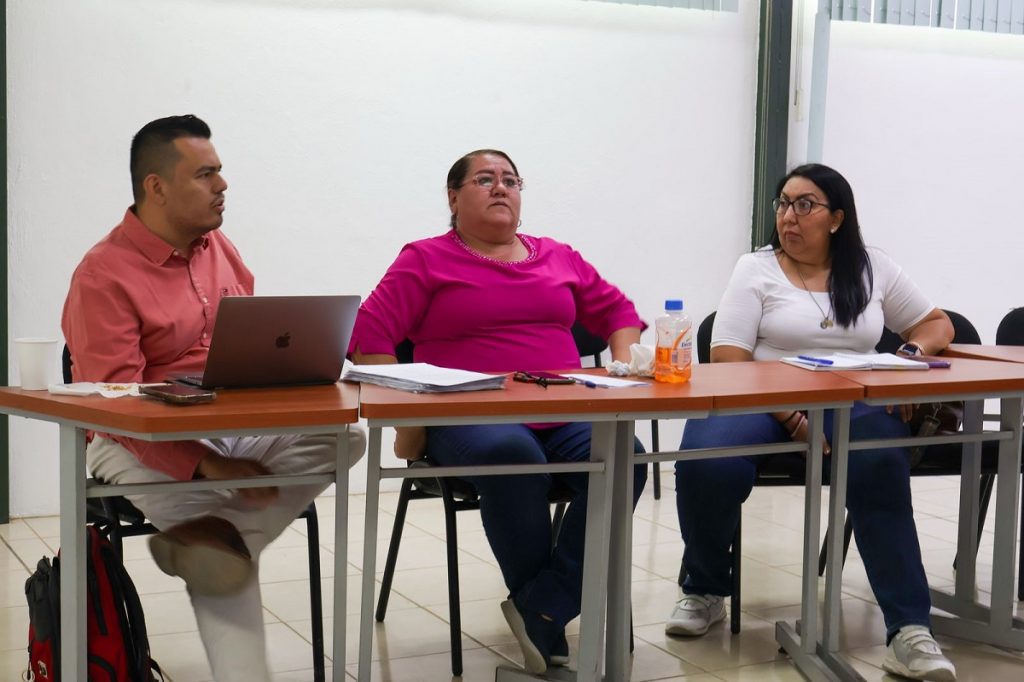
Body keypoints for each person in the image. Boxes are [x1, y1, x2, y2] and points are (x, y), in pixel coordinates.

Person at [61, 115, 365, 682]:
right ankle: (216, 546)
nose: (222, 185)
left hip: (224, 418)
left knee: (344, 433)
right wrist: (204, 461)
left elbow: (246, 343)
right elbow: (115, 406)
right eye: (205, 174)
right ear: (156, 187)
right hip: (136, 439)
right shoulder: (102, 275)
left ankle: (216, 539)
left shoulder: (219, 247)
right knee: (216, 544)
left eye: (220, 172)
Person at [350, 149, 648, 674]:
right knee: (513, 453)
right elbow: (369, 337)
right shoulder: (425, 258)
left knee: (630, 455)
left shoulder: (558, 254)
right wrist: (409, 423)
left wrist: (621, 376)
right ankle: (545, 608)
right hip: (468, 414)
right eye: (485, 179)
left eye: (511, 180)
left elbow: (620, 314)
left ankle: (543, 606)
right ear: (453, 197)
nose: (500, 188)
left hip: (564, 404)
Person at [667, 164, 957, 682]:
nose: (788, 216)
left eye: (805, 205)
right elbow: (729, 356)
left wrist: (912, 352)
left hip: (853, 402)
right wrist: (795, 417)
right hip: (762, 398)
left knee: (879, 468)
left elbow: (937, 323)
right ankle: (704, 588)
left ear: (837, 218)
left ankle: (909, 631)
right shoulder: (755, 269)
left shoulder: (872, 267)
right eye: (783, 204)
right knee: (707, 463)